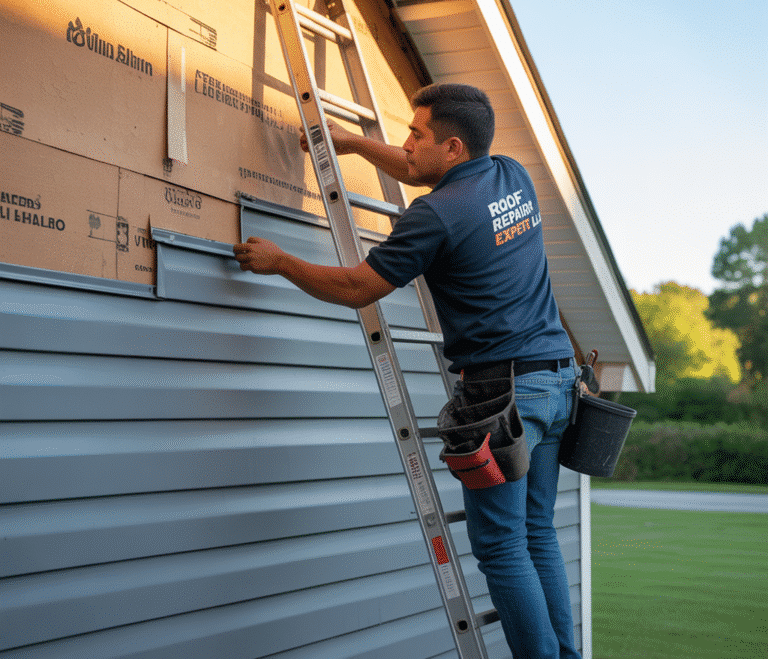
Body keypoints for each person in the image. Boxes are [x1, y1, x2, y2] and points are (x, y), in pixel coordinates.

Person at [234, 83, 581, 659]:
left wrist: (282, 263)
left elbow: (358, 287)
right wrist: (352, 143)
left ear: (451, 147)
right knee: (536, 531)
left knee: (499, 546)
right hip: (557, 381)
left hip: (504, 398)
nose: (405, 142)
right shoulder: (510, 175)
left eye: (416, 133)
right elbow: (421, 167)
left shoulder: (436, 215)